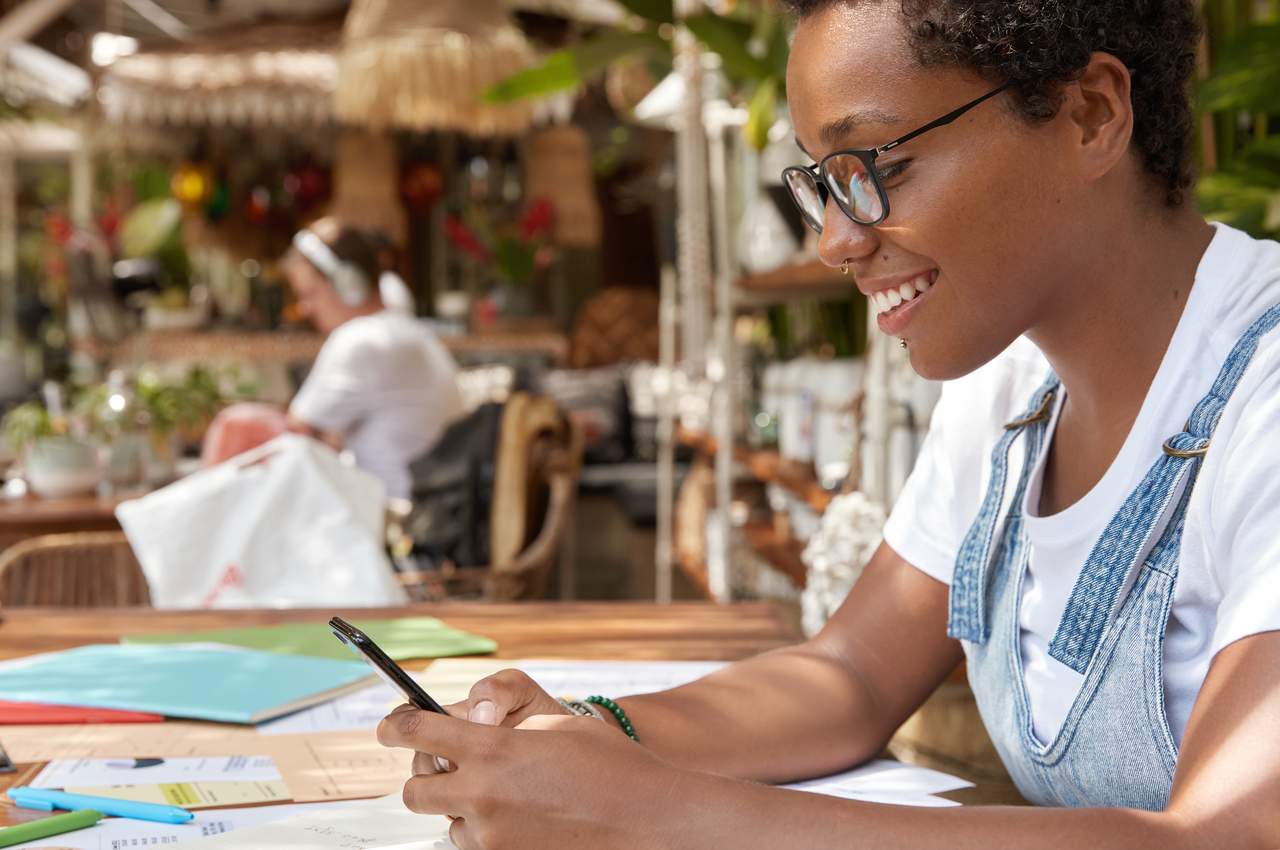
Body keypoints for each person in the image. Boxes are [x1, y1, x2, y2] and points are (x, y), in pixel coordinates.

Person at [375, 1, 1280, 847]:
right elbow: (847, 675)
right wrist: (591, 737)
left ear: (1089, 113)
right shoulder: (1012, 385)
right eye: (821, 182)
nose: (835, 240)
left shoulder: (1261, 397)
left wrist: (658, 813)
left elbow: (1228, 835)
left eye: (875, 168)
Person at [284, 220, 462, 499]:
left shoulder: (360, 340)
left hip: (393, 525)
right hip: (430, 511)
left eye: (309, 294)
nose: (304, 309)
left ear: (349, 284)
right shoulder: (407, 331)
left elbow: (294, 436)